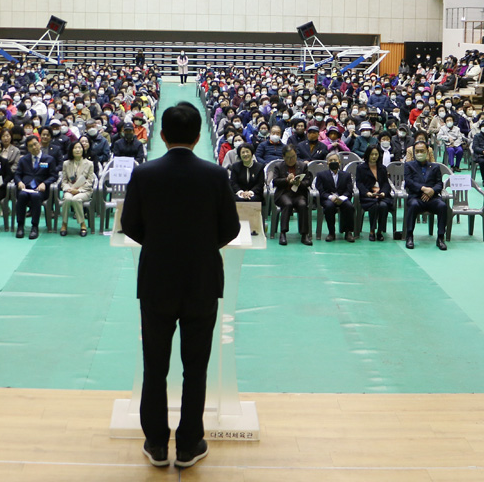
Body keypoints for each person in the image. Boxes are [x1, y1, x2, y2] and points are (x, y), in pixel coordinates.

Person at [119, 101, 240, 470]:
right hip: (202, 280)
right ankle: (188, 445)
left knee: (155, 366)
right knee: (196, 367)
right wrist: (201, 248)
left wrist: (159, 245)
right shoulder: (216, 175)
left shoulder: (145, 174)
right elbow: (231, 228)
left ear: (162, 134)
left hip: (156, 280)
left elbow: (131, 224)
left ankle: (156, 444)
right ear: (200, 134)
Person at [403, 141, 448, 251]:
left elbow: (439, 184)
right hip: (416, 197)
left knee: (442, 206)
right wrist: (423, 189)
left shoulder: (435, 167)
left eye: (422, 151)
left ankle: (441, 237)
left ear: (427, 152)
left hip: (432, 198)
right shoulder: (409, 165)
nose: (419, 153)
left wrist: (432, 191)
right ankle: (409, 236)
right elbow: (409, 182)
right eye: (417, 151)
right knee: (412, 205)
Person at [14, 135, 58, 240]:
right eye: (30, 146)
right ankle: (20, 226)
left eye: (35, 144)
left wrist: (45, 183)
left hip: (40, 189)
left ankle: (34, 226)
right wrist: (19, 182)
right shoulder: (23, 160)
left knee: (36, 197)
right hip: (26, 187)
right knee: (22, 195)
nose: (34, 147)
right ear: (28, 149)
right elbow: (17, 174)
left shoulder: (49, 159)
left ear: (39, 144)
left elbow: (54, 176)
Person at [270, 145, 312, 246]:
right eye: (288, 157)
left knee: (302, 204)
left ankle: (304, 234)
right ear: (283, 157)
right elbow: (275, 182)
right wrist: (286, 180)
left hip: (298, 194)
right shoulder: (278, 166)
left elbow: (308, 181)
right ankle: (283, 233)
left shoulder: (303, 166)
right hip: (283, 194)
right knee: (287, 204)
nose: (291, 159)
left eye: (293, 156)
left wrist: (299, 183)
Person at [314, 149, 355, 242]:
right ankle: (331, 232)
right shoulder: (321, 175)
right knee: (329, 207)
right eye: (330, 161)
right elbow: (321, 190)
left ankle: (348, 232)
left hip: (342, 198)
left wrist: (341, 198)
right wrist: (330, 197)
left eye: (335, 160)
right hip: (327, 199)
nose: (333, 162)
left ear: (339, 162)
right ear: (327, 163)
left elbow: (349, 191)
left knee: (349, 206)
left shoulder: (347, 175)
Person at [355, 145, 392, 242]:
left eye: (376, 154)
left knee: (384, 206)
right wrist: (367, 193)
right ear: (368, 155)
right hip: (368, 196)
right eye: (372, 154)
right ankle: (372, 230)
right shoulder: (361, 168)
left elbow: (386, 183)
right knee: (374, 206)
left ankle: (380, 231)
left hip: (381, 195)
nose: (374, 156)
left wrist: (383, 192)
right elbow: (359, 183)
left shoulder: (382, 168)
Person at [59, 141, 95, 237]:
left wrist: (78, 190)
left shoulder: (90, 164)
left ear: (83, 150)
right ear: (71, 150)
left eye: (80, 147)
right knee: (67, 198)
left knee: (76, 199)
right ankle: (64, 224)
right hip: (70, 189)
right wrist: (69, 189)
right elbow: (64, 180)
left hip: (84, 191)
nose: (78, 150)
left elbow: (90, 181)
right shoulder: (66, 163)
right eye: (75, 148)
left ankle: (82, 224)